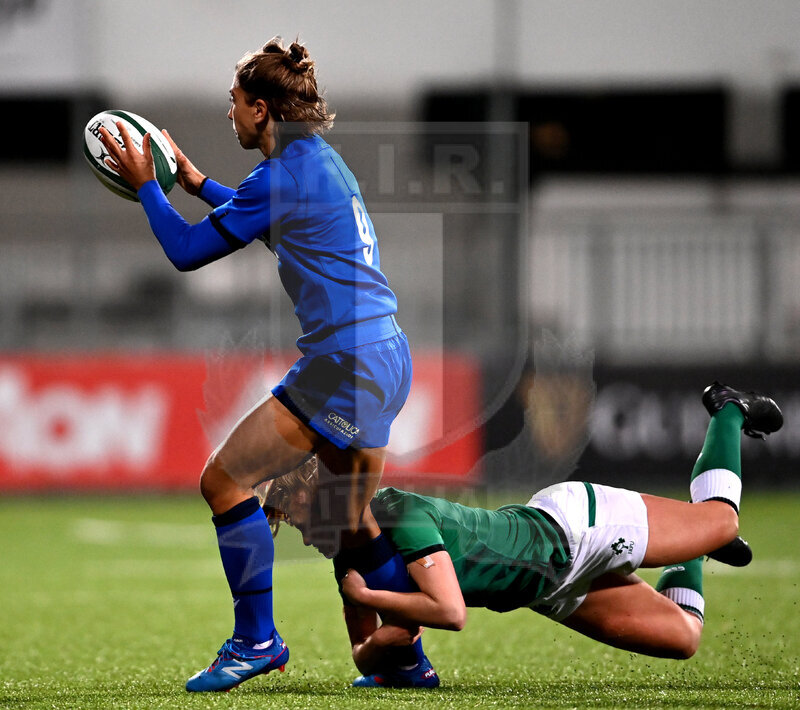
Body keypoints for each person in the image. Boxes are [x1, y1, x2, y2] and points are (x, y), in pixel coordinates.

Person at [98, 37, 431, 692]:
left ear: (261, 108)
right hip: (387, 354)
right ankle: (404, 659)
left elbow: (187, 251)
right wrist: (196, 185)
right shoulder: (319, 161)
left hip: (343, 363)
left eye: (235, 103)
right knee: (349, 522)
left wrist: (147, 188)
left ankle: (256, 640)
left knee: (224, 482)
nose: (230, 114)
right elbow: (273, 219)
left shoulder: (280, 176)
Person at [261, 382, 782, 685]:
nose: (302, 536)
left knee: (721, 520)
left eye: (298, 517)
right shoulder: (350, 553)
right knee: (684, 639)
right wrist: (378, 642)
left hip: (575, 530)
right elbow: (371, 649)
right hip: (549, 589)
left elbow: (449, 612)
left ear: (316, 487)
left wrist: (373, 602)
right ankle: (694, 549)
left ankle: (728, 410)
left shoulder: (396, 512)